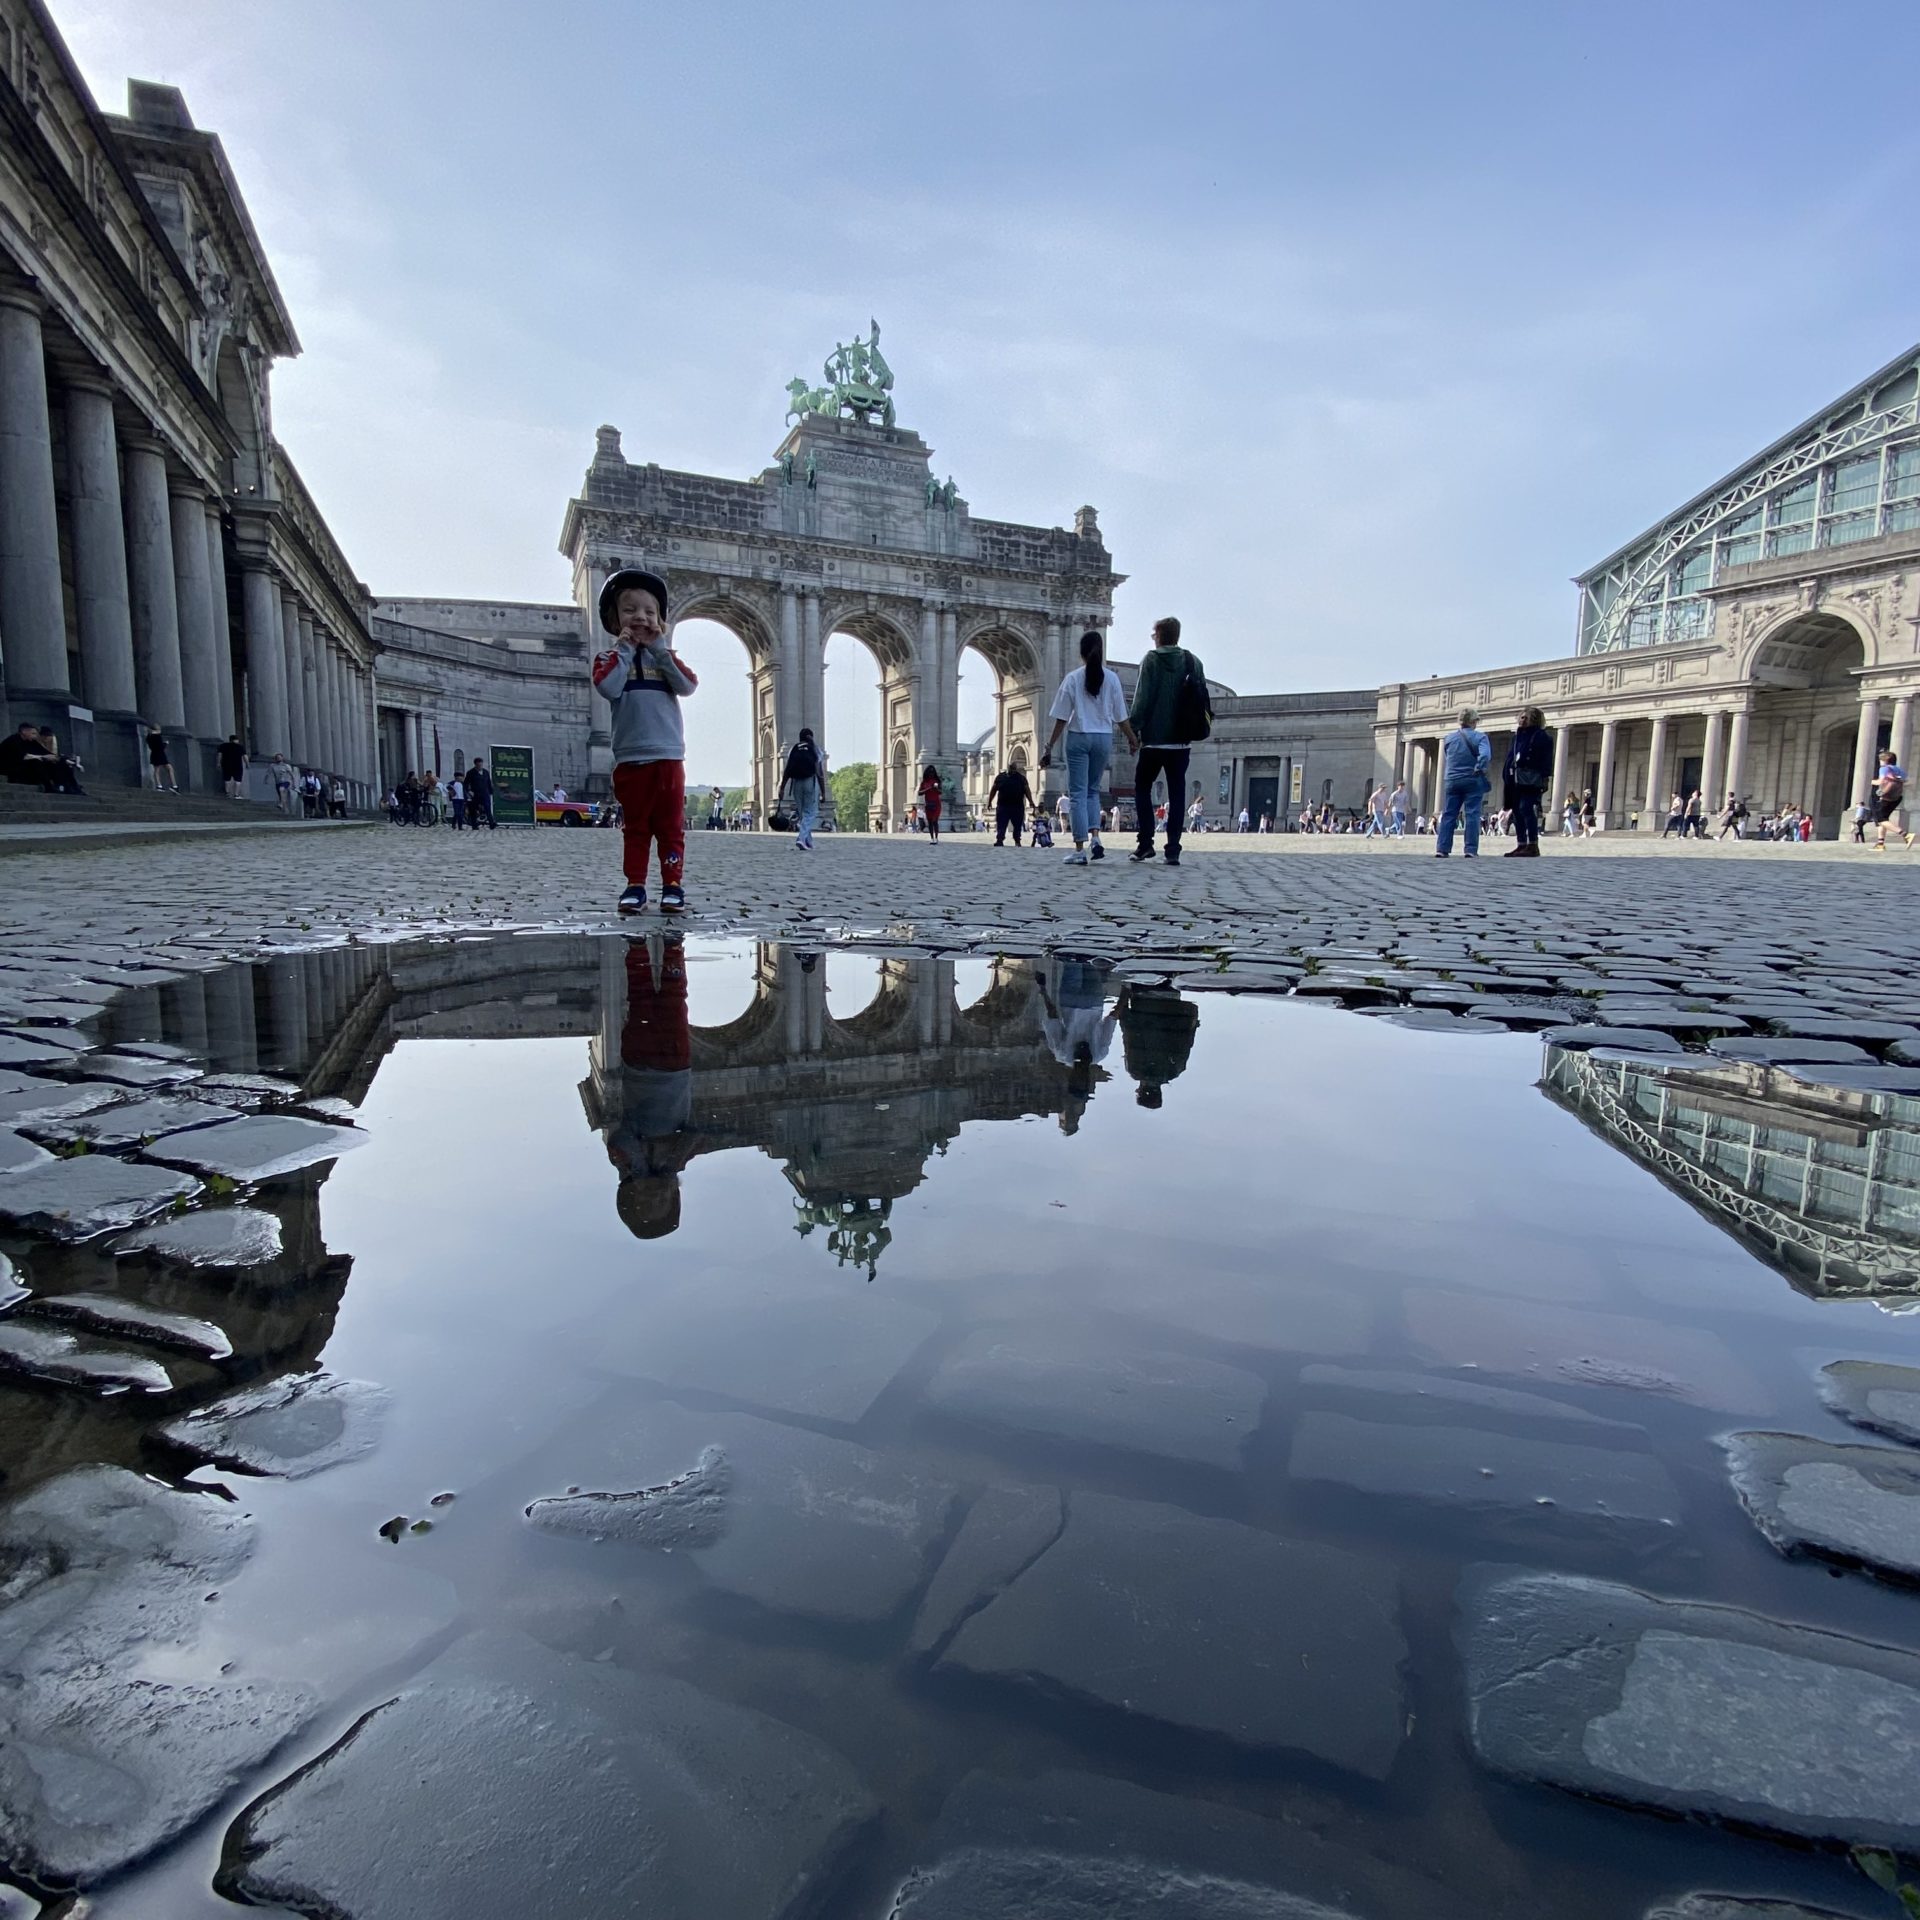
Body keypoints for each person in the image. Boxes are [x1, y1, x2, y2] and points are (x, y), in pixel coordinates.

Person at [591, 566, 698, 914]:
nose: (641, 617)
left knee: (670, 828)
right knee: (635, 828)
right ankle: (635, 885)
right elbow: (608, 687)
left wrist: (661, 651)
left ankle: (673, 885)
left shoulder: (667, 660)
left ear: (661, 620)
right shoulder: (607, 659)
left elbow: (688, 685)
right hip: (631, 759)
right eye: (630, 610)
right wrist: (624, 650)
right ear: (614, 618)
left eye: (650, 612)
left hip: (668, 757)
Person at [604, 933, 694, 1239]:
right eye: (661, 1199)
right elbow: (697, 1136)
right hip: (675, 1066)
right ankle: (673, 950)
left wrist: (640, 1170)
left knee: (640, 996)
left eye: (644, 1199)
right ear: (673, 1195)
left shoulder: (623, 1159)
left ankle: (637, 947)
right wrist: (667, 1170)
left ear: (629, 1193)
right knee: (674, 999)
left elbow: (621, 1135)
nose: (654, 1195)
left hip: (640, 1065)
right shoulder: (676, 1163)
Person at [1040, 629, 1138, 867]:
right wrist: (1132, 739)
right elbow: (1121, 717)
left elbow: (1062, 717)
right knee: (1093, 792)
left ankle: (1079, 847)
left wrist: (1050, 745)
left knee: (1077, 795)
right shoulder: (1112, 679)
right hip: (1103, 738)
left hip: (1079, 737)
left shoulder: (1073, 678)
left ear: (1081, 653)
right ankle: (1096, 838)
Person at [1128, 615, 1210, 867]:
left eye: (1154, 634)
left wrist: (1133, 730)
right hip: (1182, 741)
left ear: (1160, 635)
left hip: (1154, 740)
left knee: (1142, 788)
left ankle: (1145, 844)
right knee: (1177, 794)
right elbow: (1202, 697)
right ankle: (1173, 849)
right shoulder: (1192, 661)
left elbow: (1142, 698)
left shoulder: (1151, 660)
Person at [1117, 979, 1199, 1109]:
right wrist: (1123, 1011)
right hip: (1144, 1002)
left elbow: (1187, 1040)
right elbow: (1130, 1036)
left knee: (1169, 966)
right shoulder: (1136, 1070)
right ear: (1141, 1091)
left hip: (1173, 1001)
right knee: (1144, 963)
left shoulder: (1175, 1070)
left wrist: (1193, 1019)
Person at [1434, 707, 1492, 857]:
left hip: (1452, 779)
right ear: (1473, 721)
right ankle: (1470, 850)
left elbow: (1449, 756)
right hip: (1472, 778)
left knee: (1448, 814)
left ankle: (1442, 849)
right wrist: (1479, 767)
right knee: (1472, 814)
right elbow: (1485, 756)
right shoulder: (1480, 737)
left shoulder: (1449, 738)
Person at [1501, 706, 1554, 857]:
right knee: (1516, 811)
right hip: (1514, 778)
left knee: (1526, 808)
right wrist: (1506, 774)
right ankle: (1521, 844)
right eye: (1521, 717)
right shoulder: (1516, 737)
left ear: (1534, 719)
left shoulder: (1542, 737)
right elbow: (1511, 757)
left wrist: (1545, 778)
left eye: (1526, 717)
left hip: (1531, 779)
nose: (1522, 720)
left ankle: (1533, 844)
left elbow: (1547, 760)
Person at [779, 726, 826, 850]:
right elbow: (820, 773)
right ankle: (801, 838)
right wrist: (823, 792)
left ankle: (808, 841)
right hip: (810, 782)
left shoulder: (793, 750)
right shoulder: (815, 750)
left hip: (796, 783)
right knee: (810, 813)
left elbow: (787, 770)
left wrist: (782, 788)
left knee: (802, 814)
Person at [988, 762, 1034, 847]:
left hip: (1017, 806)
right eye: (1011, 768)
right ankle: (1000, 840)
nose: (1013, 770)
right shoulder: (1000, 777)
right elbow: (993, 789)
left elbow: (1027, 790)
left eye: (1014, 768)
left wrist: (1031, 801)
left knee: (1017, 825)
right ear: (1008, 768)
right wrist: (989, 801)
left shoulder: (1021, 778)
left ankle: (1017, 840)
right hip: (1003, 806)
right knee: (1001, 824)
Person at [1872, 748, 1910, 850]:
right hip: (1897, 797)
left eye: (1880, 760)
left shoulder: (1884, 768)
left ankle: (1905, 834)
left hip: (1886, 796)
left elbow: (1881, 781)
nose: (1880, 762)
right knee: (1884, 819)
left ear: (1885, 760)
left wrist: (1871, 782)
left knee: (1880, 819)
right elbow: (1907, 781)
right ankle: (1880, 844)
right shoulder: (1898, 769)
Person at [918, 764, 944, 843]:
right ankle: (932, 838)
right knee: (929, 822)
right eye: (930, 773)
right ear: (927, 773)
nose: (931, 774)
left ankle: (936, 837)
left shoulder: (937, 781)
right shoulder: (924, 782)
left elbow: (940, 792)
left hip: (936, 803)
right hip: (928, 803)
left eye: (932, 773)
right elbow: (919, 793)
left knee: (935, 820)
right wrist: (928, 789)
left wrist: (935, 789)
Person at [145, 725, 176, 793]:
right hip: (160, 754)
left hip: (154, 754)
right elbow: (160, 747)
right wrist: (165, 743)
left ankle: (159, 786)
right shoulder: (157, 736)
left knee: (157, 770)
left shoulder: (149, 737)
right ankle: (174, 786)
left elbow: (153, 746)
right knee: (169, 768)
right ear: (157, 730)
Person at [467, 758, 495, 830]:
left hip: (485, 793)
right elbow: (466, 783)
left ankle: (492, 823)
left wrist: (491, 791)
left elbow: (488, 782)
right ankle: (474, 825)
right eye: (478, 765)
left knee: (487, 808)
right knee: (473, 809)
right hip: (475, 793)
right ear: (475, 765)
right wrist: (469, 791)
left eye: (481, 764)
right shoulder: (470, 772)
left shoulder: (486, 772)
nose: (480, 766)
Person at [218, 734, 247, 800]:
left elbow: (219, 755)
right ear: (236, 740)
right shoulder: (240, 747)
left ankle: (227, 793)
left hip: (226, 765)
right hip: (237, 765)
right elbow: (245, 756)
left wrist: (218, 763)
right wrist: (247, 764)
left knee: (227, 779)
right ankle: (236, 794)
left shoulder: (223, 746)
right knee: (238, 780)